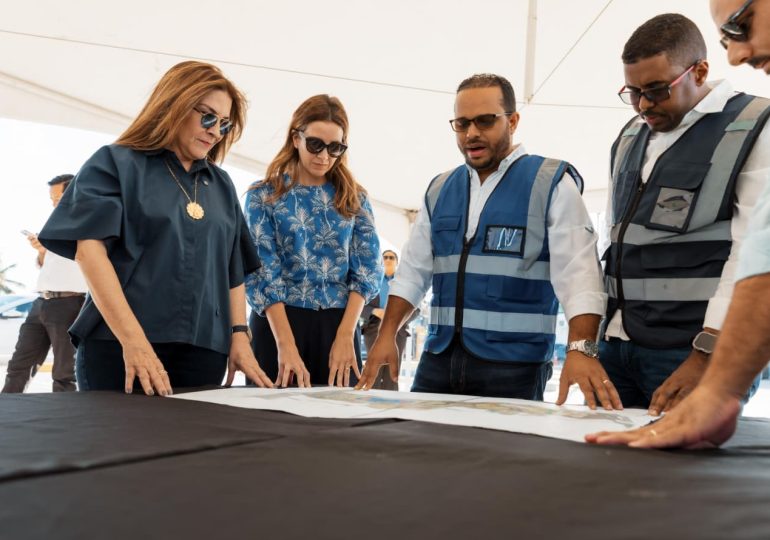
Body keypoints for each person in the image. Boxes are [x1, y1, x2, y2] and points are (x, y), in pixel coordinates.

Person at [356, 74, 615, 408]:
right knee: (420, 452)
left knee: (505, 458)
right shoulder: (439, 189)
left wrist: (581, 350)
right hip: (438, 361)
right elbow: (412, 273)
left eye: (485, 121)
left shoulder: (550, 183)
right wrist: (387, 333)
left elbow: (580, 277)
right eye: (462, 124)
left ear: (513, 120)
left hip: (515, 368)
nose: (472, 133)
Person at [587, 0, 770, 448]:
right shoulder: (630, 136)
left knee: (682, 487)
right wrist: (594, 344)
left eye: (656, 89)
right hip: (618, 346)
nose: (643, 105)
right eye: (632, 92)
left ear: (700, 72)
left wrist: (706, 355)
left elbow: (753, 253)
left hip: (686, 352)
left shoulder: (755, 125)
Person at [37, 61, 273, 396]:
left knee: (193, 448)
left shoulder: (220, 184)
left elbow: (233, 269)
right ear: (173, 104)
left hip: (205, 352)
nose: (214, 131)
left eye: (224, 124)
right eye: (207, 116)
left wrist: (239, 336)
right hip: (118, 345)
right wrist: (134, 342)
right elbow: (90, 252)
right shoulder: (115, 162)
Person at [245, 95, 383, 389]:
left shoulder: (355, 199)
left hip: (339, 326)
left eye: (335, 148)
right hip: (277, 324)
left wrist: (347, 334)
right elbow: (260, 270)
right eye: (315, 144)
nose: (324, 156)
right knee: (268, 425)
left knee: (335, 428)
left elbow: (368, 269)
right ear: (296, 138)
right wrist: (285, 343)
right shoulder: (262, 196)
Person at [2, 174, 87, 393]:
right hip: (41, 302)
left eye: (56, 198)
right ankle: (6, 415)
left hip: (69, 303)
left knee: (64, 373)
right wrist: (42, 250)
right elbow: (47, 264)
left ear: (71, 193)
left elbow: (86, 259)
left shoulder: (86, 222)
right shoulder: (54, 222)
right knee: (18, 366)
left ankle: (64, 421)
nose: (52, 203)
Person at [360, 249, 417, 390]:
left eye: (392, 257)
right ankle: (370, 403)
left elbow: (416, 309)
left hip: (398, 329)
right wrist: (374, 311)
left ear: (397, 262)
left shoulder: (404, 283)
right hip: (373, 328)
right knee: (374, 368)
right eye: (385, 257)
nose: (388, 260)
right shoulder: (372, 281)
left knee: (393, 372)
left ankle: (390, 405)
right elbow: (360, 305)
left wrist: (399, 319)